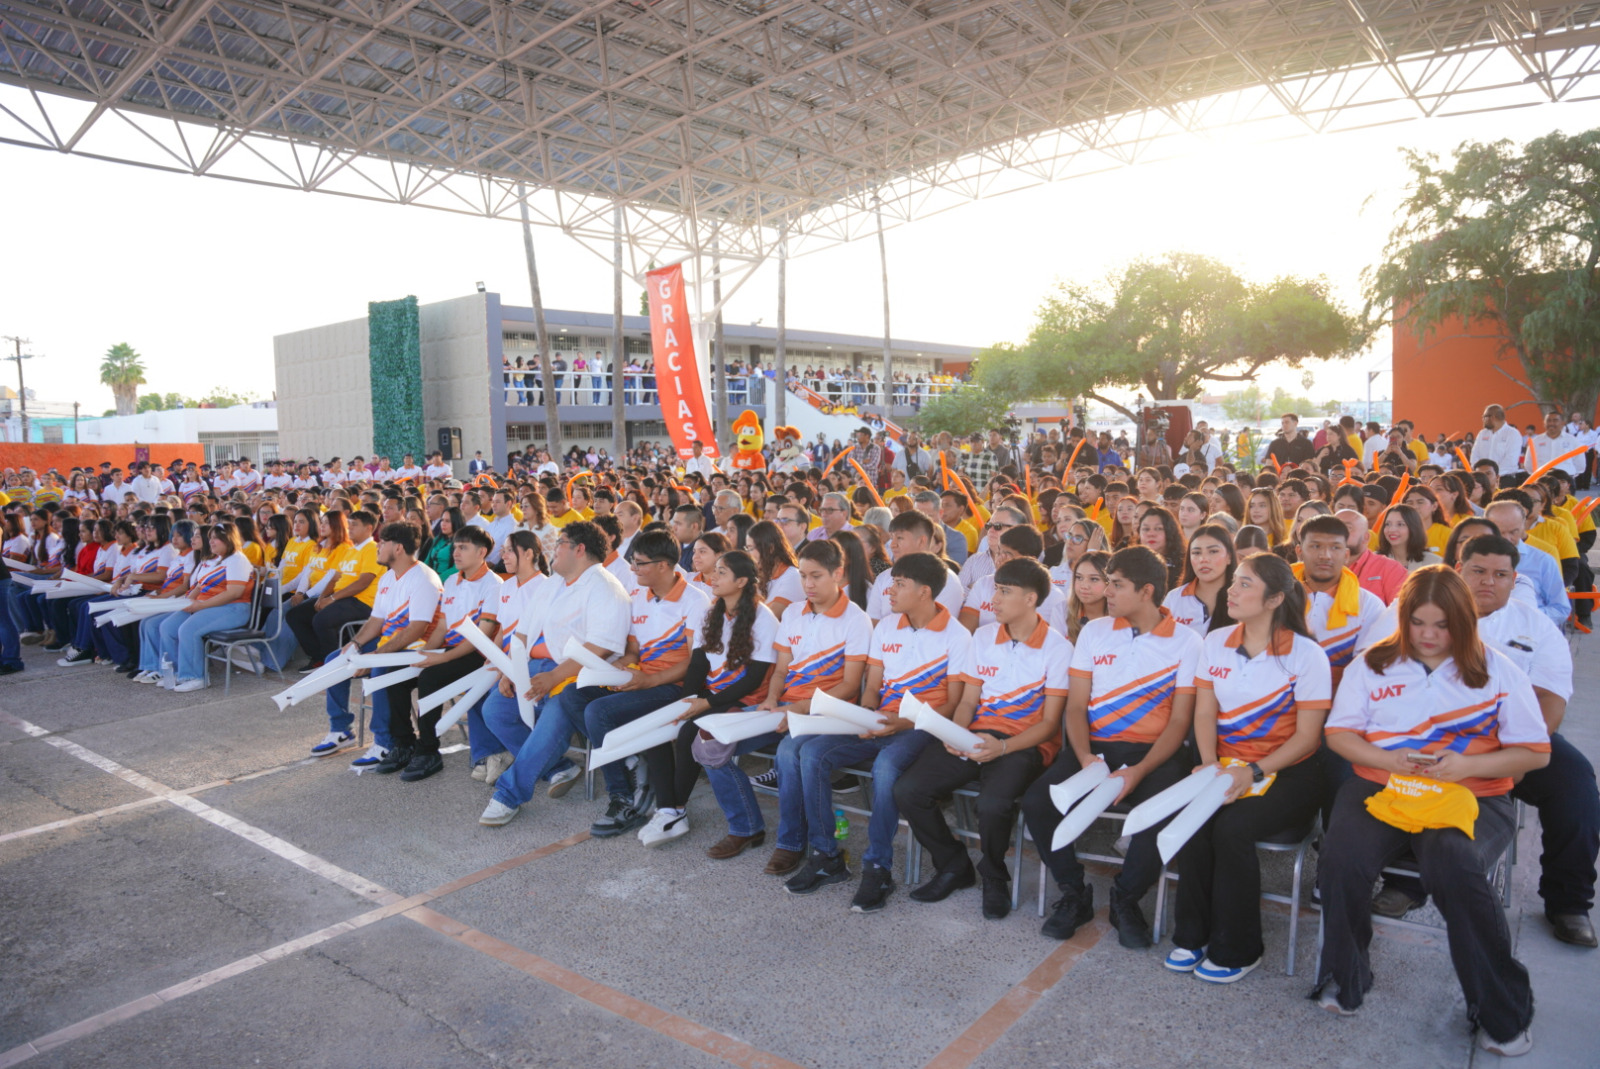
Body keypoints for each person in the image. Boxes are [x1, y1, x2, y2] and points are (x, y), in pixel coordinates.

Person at [1316, 567, 1547, 1056]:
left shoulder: (1497, 669)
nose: (1427, 635)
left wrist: (1467, 765)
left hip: (1474, 794)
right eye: (1417, 622)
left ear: (1462, 622)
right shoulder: (1372, 664)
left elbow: (1535, 752)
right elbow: (1340, 735)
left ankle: (1502, 1009)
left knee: (1453, 862)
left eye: (1441, 625)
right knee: (1341, 859)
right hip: (1382, 784)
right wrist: (1386, 759)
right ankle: (1346, 977)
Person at [1021, 546, 1202, 946]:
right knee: (1038, 802)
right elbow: (1076, 707)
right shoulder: (1095, 631)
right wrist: (1085, 757)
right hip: (1095, 749)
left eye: (1117, 585)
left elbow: (1179, 722)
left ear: (1147, 591)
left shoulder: (1187, 643)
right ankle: (1074, 893)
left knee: (1160, 812)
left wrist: (1138, 772)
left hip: (1154, 753)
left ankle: (1126, 898)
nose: (1107, 592)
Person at [1166, 552, 1331, 983]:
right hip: (1223, 764)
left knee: (1231, 828)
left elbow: (1307, 738)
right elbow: (1205, 714)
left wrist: (1253, 772)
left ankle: (1238, 947)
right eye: (1234, 582)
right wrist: (1207, 764)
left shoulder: (1307, 655)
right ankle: (1192, 935)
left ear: (1275, 598)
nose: (1231, 591)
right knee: (1196, 820)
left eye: (1244, 585)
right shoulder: (1216, 641)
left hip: (1289, 773)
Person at [896, 557, 1067, 920]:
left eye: (1005, 592)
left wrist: (1003, 747)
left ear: (1031, 599)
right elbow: (969, 701)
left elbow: (1051, 724)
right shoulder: (984, 637)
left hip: (1023, 745)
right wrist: (956, 735)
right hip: (976, 736)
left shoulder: (1057, 647)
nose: (993, 599)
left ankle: (994, 876)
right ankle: (954, 865)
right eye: (994, 589)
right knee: (908, 789)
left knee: (992, 805)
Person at [719, 538, 872, 877]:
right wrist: (772, 700)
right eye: (803, 576)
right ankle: (745, 825)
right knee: (710, 742)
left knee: (789, 752)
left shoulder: (856, 619)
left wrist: (797, 710)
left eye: (816, 576)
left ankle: (790, 843)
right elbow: (782, 669)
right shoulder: (792, 612)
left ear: (838, 573)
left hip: (829, 713)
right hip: (785, 706)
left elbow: (849, 686)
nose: (808, 584)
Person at [479, 521, 632, 827]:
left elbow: (600, 648)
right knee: (495, 710)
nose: (553, 548)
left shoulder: (605, 586)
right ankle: (557, 767)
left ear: (580, 549)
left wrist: (554, 677)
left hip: (578, 674)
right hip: (536, 666)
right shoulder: (552, 583)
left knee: (555, 713)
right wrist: (512, 669)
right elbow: (522, 633)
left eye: (560, 542)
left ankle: (509, 793)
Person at [562, 528, 710, 838]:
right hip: (643, 679)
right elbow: (633, 650)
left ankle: (623, 794)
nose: (632, 569)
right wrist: (622, 668)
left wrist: (648, 680)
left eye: (640, 563)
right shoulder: (638, 597)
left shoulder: (696, 602)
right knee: (572, 695)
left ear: (664, 565)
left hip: (674, 686)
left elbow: (696, 663)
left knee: (598, 713)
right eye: (633, 561)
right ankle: (628, 757)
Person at [642, 550, 778, 850]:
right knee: (659, 727)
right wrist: (687, 701)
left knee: (693, 732)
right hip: (714, 694)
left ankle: (675, 810)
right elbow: (699, 662)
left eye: (722, 572)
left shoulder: (762, 617)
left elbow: (753, 679)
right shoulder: (713, 609)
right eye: (714, 571)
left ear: (742, 581)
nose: (712, 577)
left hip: (746, 700)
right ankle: (668, 809)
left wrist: (705, 705)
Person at [375, 525, 502, 781]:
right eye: (455, 546)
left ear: (482, 552)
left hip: (477, 654)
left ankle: (428, 750)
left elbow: (482, 637)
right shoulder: (452, 580)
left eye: (463, 547)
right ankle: (404, 743)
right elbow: (442, 626)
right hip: (449, 649)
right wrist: (424, 653)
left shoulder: (493, 584)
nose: (456, 552)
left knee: (430, 676)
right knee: (397, 673)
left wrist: (440, 658)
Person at [314, 522, 442, 762]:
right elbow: (376, 621)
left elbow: (416, 630)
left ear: (398, 549)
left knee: (380, 669)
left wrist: (376, 656)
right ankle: (341, 730)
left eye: (383, 543)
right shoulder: (387, 578)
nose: (378, 547)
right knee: (336, 659)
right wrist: (355, 644)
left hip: (418, 650)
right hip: (391, 646)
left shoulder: (424, 579)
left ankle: (384, 742)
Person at [153, 522, 254, 692]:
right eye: (211, 538)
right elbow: (200, 586)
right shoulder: (215, 560)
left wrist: (201, 606)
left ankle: (196, 677)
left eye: (217, 539)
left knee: (188, 629)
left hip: (234, 609)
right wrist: (188, 602)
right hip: (208, 606)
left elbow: (234, 593)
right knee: (167, 627)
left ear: (229, 539)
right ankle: (176, 672)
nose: (212, 542)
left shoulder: (237, 559)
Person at [1294, 515, 1386, 687]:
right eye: (1315, 546)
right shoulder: (1277, 598)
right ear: (1299, 552)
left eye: (1335, 547)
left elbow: (1368, 673)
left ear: (1346, 555)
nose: (1325, 555)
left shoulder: (1368, 605)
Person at [866, 511, 964, 623]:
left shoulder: (947, 580)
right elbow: (873, 622)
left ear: (921, 541)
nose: (892, 544)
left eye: (900, 538)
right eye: (892, 537)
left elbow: (937, 627)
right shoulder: (884, 578)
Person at [1162, 523, 1236, 636]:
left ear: (1229, 557)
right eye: (1196, 553)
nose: (1203, 559)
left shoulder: (1241, 598)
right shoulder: (1174, 599)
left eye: (1213, 551)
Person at [1470, 404, 1524, 487]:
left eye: (1484, 417)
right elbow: (1474, 455)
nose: (1483, 420)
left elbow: (1510, 459)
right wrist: (1481, 474)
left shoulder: (1512, 433)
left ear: (1492, 417)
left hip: (1504, 479)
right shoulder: (1482, 433)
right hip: (1482, 481)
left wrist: (1493, 475)